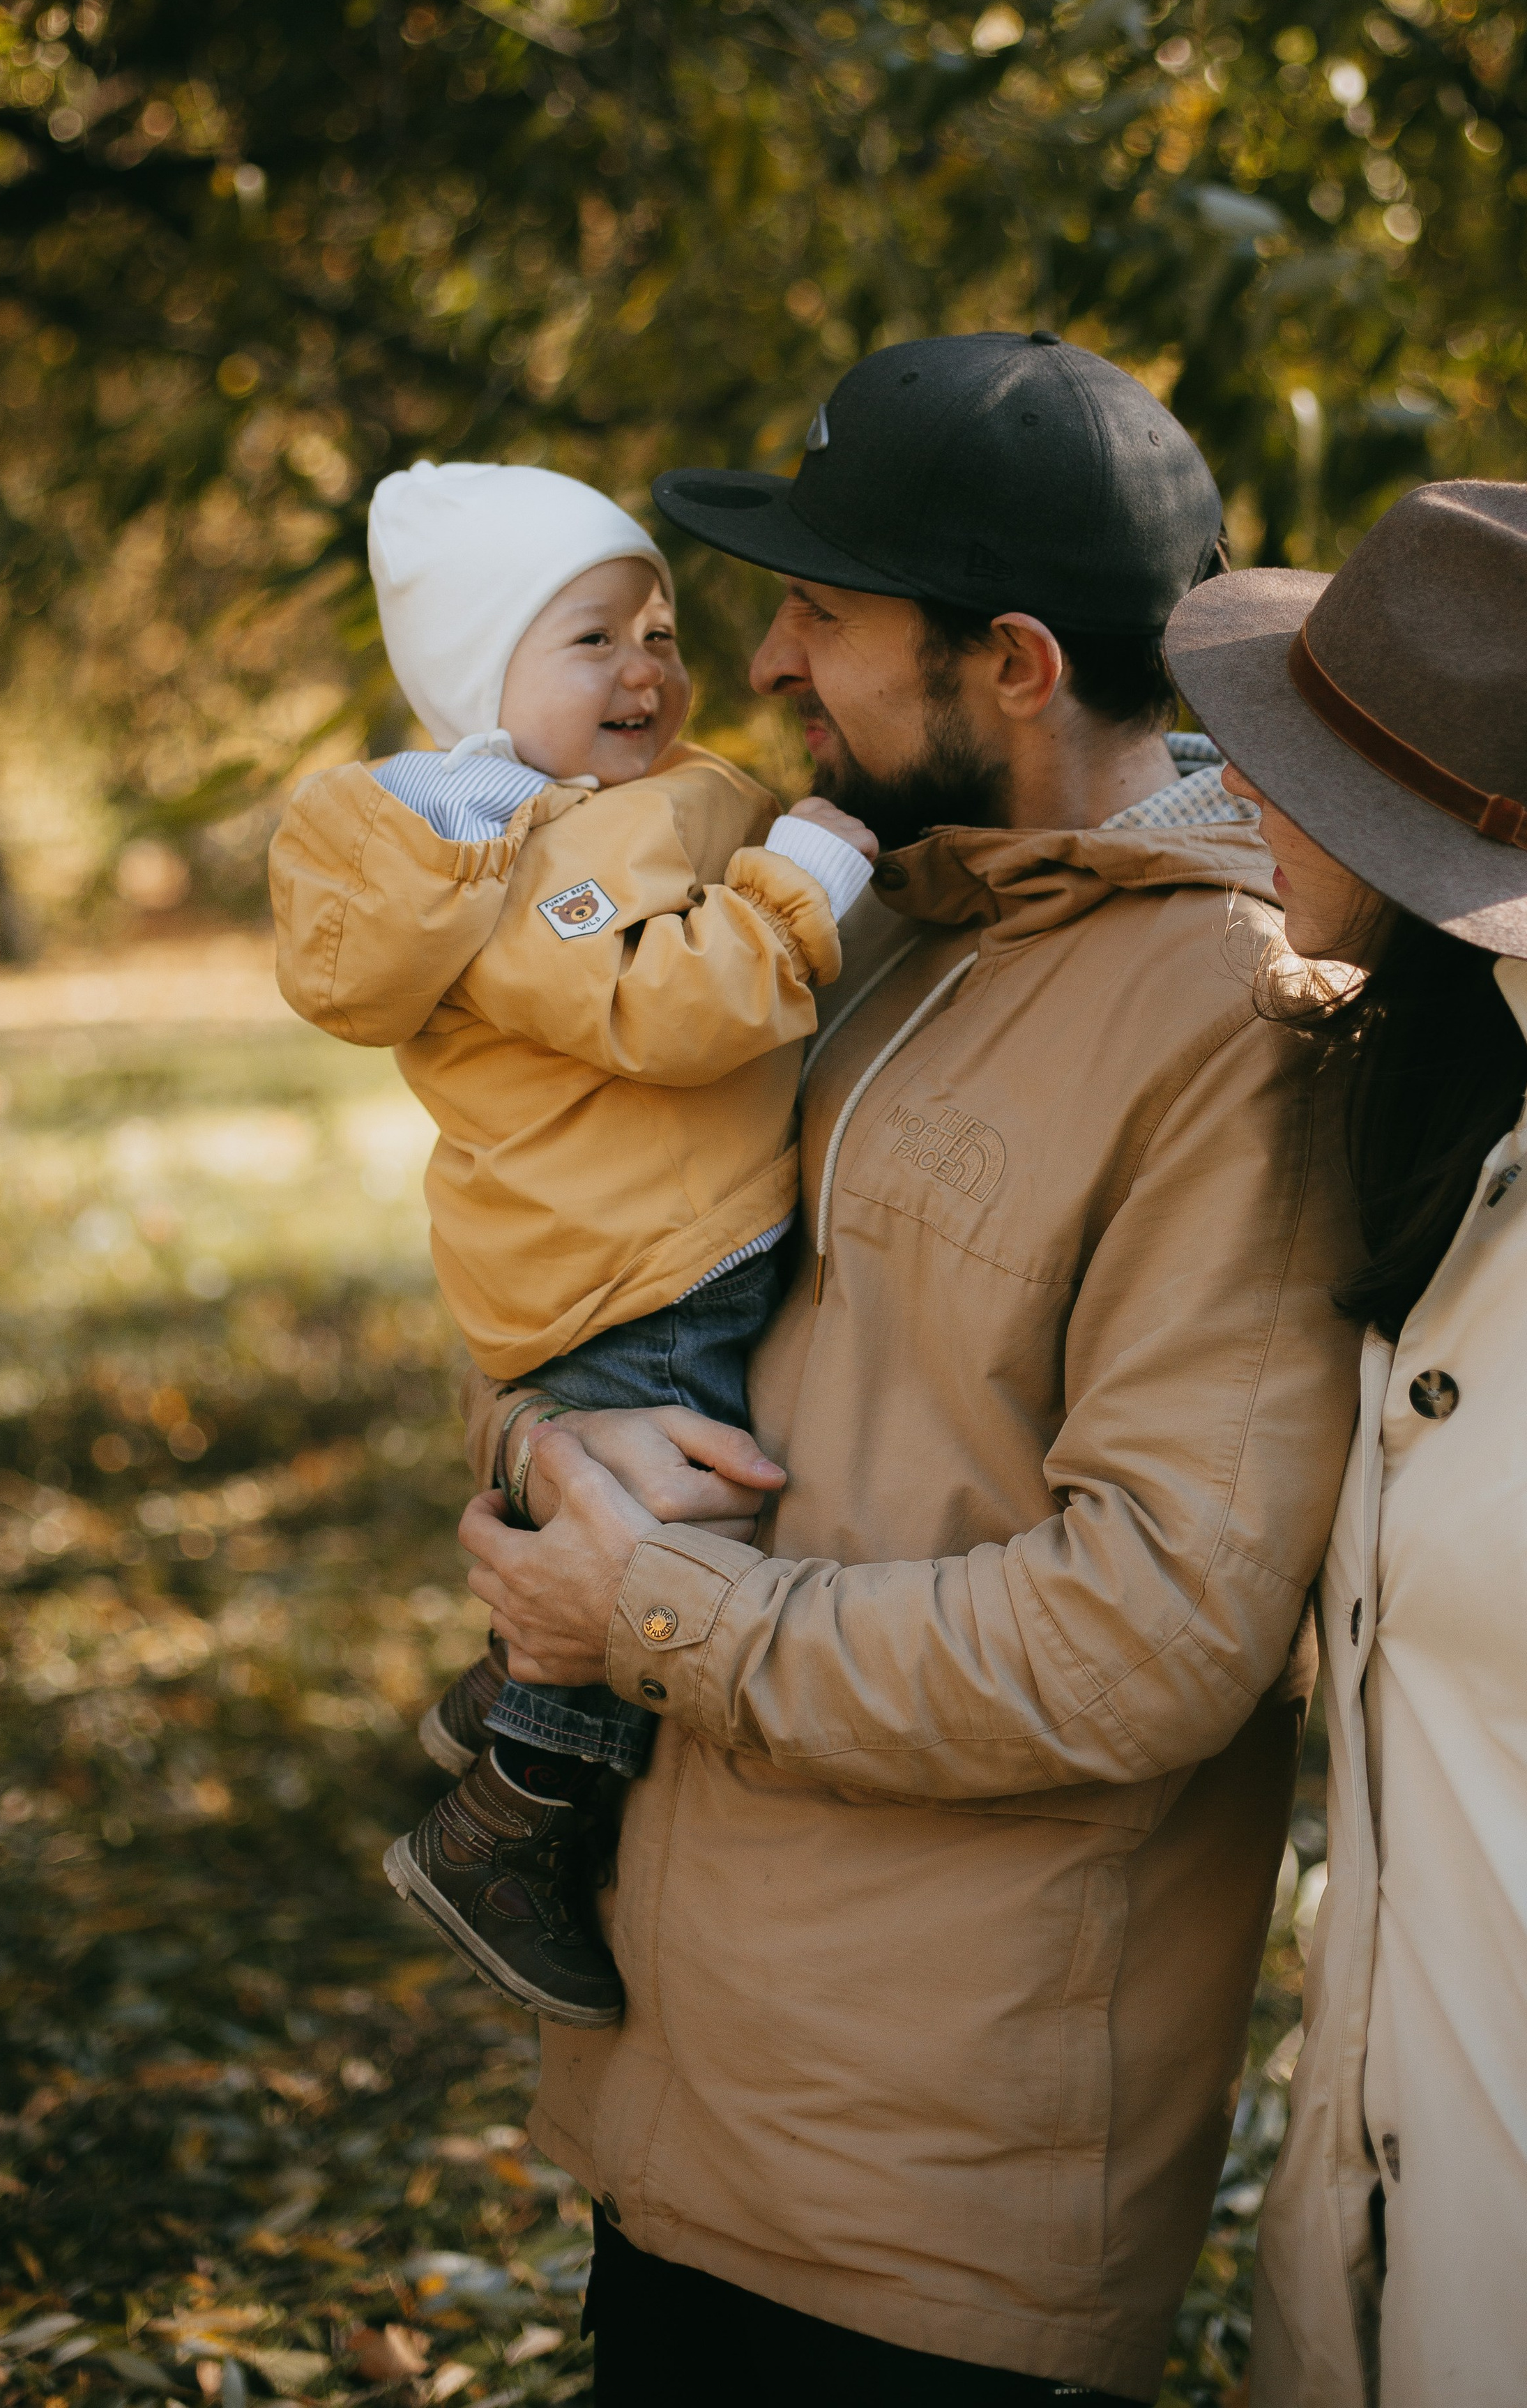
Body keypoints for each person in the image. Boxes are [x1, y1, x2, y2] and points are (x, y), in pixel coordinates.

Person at [453, 332, 1365, 2403]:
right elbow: (588, 1286)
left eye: (826, 615)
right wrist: (543, 1459)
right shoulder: (845, 930)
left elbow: (1149, 1635)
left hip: (929, 2212)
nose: (767, 665)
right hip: (676, 2099)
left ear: (1016, 664)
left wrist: (648, 1606)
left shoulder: (1238, 1034)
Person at [1161, 478, 1527, 2407]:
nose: (1242, 785)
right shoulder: (1456, 1064)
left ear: (1437, 828)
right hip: (1390, 2181)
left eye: (1290, 760)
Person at [268, 459, 876, 2025]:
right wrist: (804, 888)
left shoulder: (606, 818)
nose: (648, 669)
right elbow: (675, 1010)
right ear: (489, 688)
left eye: (659, 628)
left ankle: (500, 1684)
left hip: (628, 1250)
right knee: (668, 1543)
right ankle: (507, 1823)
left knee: (638, 1512)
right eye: (592, 640)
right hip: (637, 1272)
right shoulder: (536, 858)